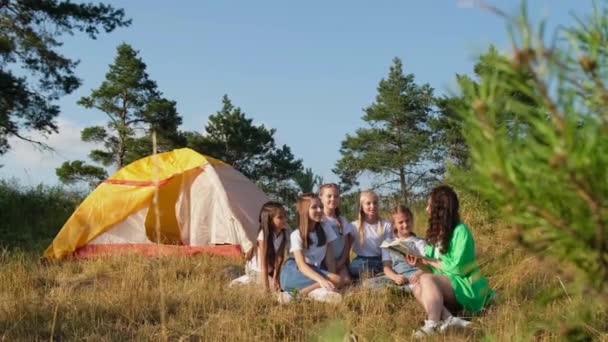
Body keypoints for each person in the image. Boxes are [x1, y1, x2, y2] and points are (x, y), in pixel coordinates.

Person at [406, 185, 494, 337]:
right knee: (416, 285)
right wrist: (418, 263)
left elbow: (459, 268)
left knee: (425, 279)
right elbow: (434, 271)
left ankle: (432, 324)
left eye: (429, 205)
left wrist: (429, 261)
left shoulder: (461, 231)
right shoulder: (435, 233)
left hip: (467, 284)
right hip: (448, 283)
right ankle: (449, 319)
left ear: (440, 209)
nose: (427, 209)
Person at [279, 193, 345, 301]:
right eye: (314, 207)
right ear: (304, 211)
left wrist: (332, 282)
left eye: (321, 207)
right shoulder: (296, 235)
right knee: (334, 280)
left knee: (338, 279)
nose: (319, 210)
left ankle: (299, 294)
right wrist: (322, 280)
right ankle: (299, 295)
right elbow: (301, 266)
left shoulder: (325, 228)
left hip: (313, 272)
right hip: (294, 272)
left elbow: (330, 260)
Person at [363, 205, 425, 291]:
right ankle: (401, 289)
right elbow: (386, 267)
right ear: (394, 225)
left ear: (412, 220)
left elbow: (427, 266)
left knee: (426, 281)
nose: (405, 225)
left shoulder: (419, 241)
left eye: (407, 220)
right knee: (368, 283)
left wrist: (418, 274)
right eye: (401, 222)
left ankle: (408, 289)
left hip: (416, 276)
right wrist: (395, 277)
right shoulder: (388, 243)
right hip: (399, 277)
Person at [230, 201, 288, 291]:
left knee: (283, 286)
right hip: (256, 270)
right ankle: (242, 282)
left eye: (285, 216)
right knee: (274, 290)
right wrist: (266, 287)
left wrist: (276, 279)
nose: (285, 219)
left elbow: (279, 259)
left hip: (270, 270)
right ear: (269, 220)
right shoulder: (263, 236)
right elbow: (263, 264)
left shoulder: (282, 235)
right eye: (280, 217)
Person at [349, 190, 392, 278]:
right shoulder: (354, 226)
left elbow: (386, 250)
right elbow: (347, 248)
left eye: (375, 203)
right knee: (354, 267)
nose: (372, 206)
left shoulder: (386, 225)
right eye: (368, 203)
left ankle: (378, 273)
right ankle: (372, 275)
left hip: (380, 259)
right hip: (362, 260)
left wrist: (386, 265)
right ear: (361, 206)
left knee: (390, 266)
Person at [319, 183, 354, 285]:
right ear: (321, 197)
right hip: (322, 262)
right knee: (331, 283)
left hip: (339, 261)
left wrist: (342, 261)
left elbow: (347, 245)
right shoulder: (319, 220)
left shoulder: (342, 221)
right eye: (329, 196)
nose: (333, 199)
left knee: (346, 281)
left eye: (336, 196)